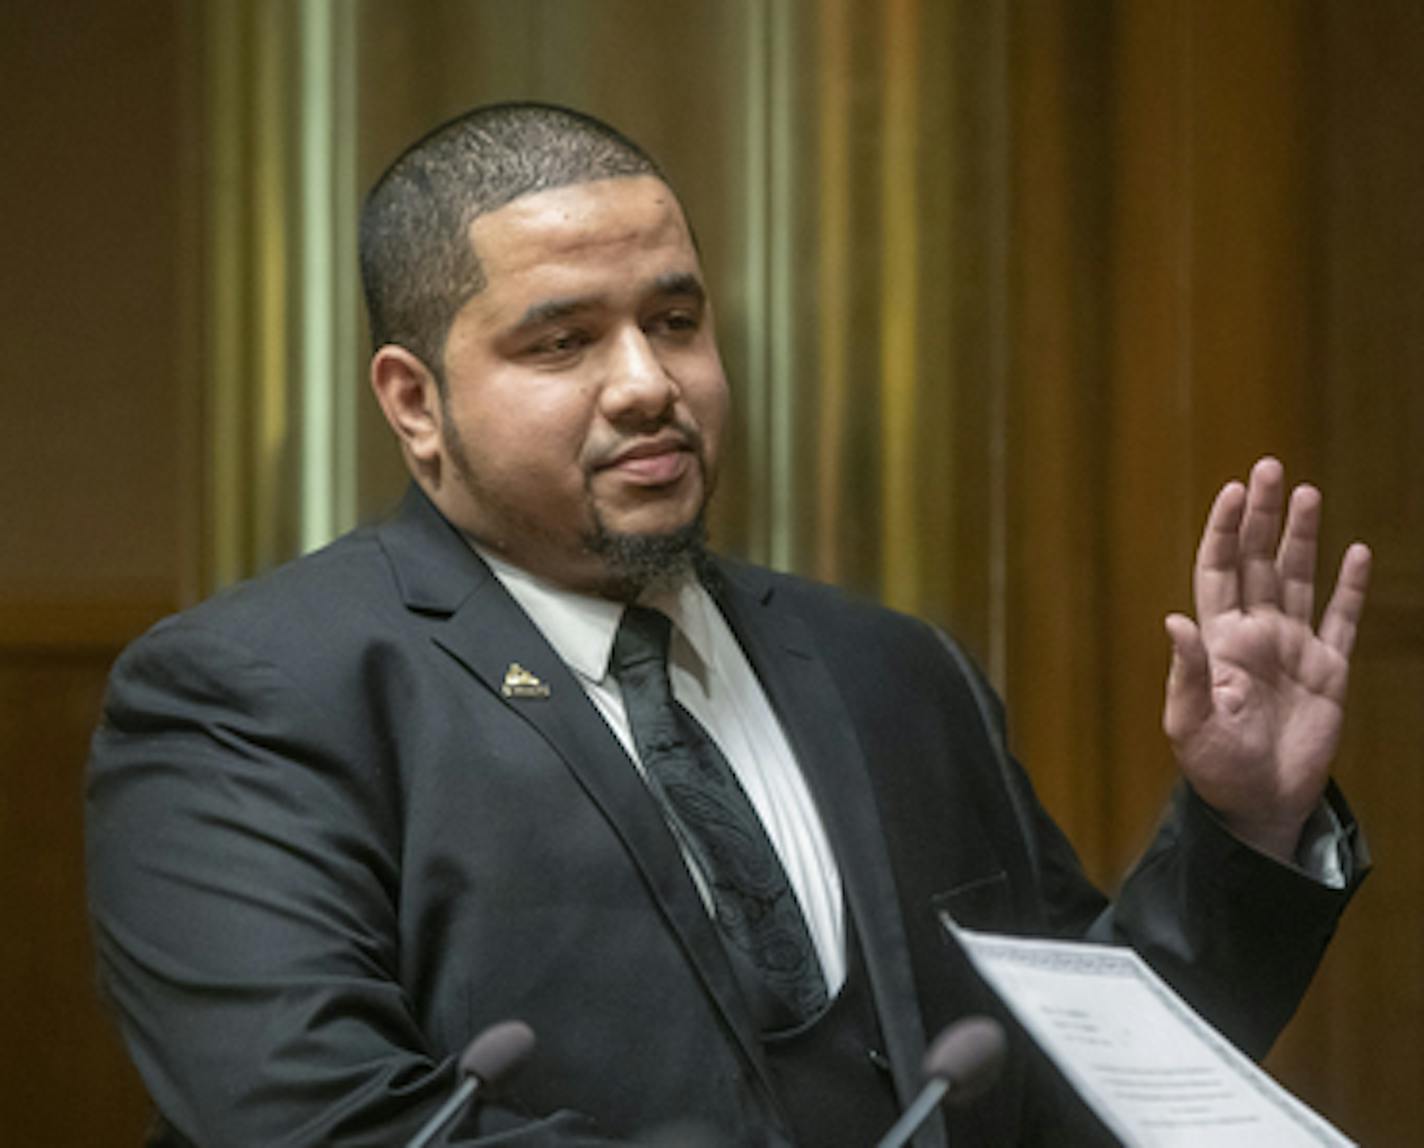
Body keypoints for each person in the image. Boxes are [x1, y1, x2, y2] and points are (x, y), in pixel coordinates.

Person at [86, 101, 1372, 1147]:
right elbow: (319, 1119)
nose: (648, 383)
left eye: (676, 321)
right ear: (414, 400)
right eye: (562, 343)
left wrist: (1242, 827)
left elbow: (1063, 1081)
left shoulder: (892, 669)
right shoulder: (251, 691)